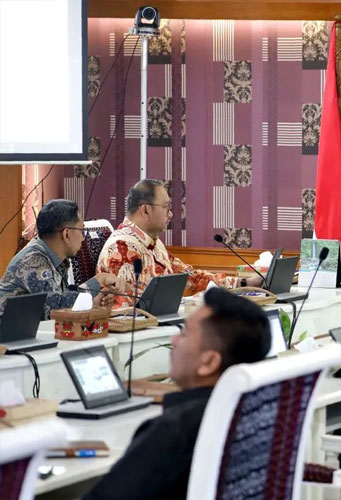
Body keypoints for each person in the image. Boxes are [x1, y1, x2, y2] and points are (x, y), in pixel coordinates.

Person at [83, 287, 271, 500]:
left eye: (184, 333)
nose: (173, 341)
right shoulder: (256, 413)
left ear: (208, 362)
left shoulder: (175, 429)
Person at [97, 179, 262, 307]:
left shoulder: (152, 242)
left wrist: (244, 283)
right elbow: (129, 306)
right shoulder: (121, 247)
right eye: (166, 207)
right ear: (146, 209)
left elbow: (189, 276)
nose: (171, 214)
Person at [0, 200, 127, 318]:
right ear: (66, 234)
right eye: (82, 231)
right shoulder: (33, 261)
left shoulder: (54, 258)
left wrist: (93, 302)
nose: (83, 239)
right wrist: (99, 280)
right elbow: (55, 307)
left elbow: (61, 298)